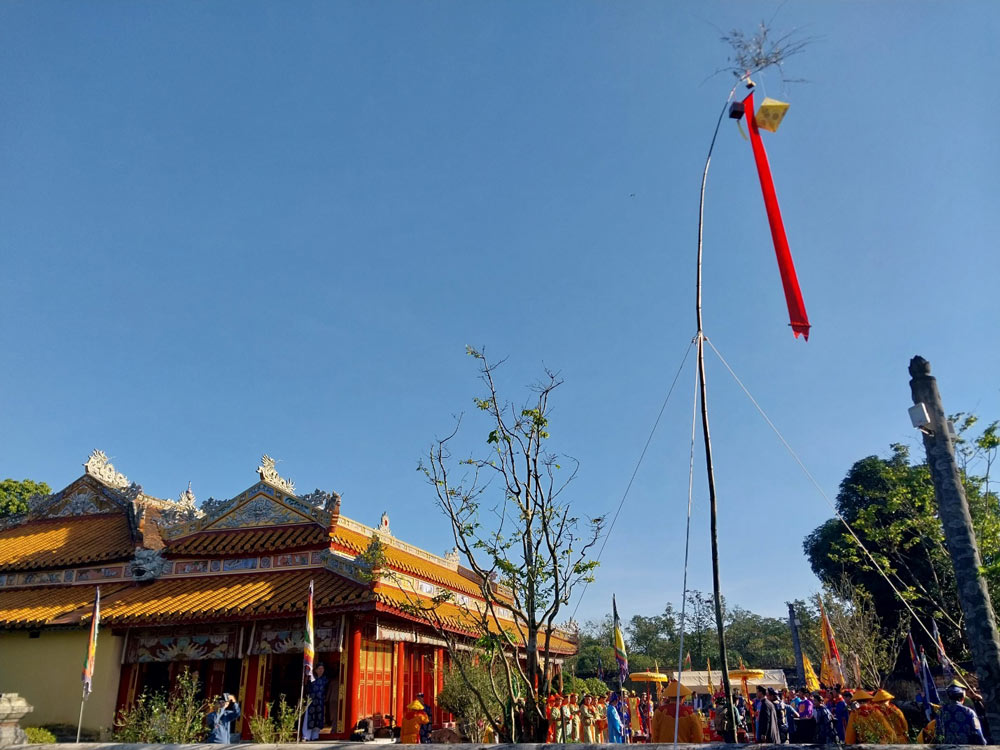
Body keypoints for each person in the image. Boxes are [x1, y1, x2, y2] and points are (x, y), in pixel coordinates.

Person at [301, 663, 329, 740]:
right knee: (309, 719)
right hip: (311, 702)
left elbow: (327, 690)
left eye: (322, 669)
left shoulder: (325, 680)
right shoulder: (311, 678)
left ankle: (315, 736)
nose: (321, 670)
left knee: (318, 719)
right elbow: (307, 688)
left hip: (320, 702)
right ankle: (306, 736)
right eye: (319, 669)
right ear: (316, 670)